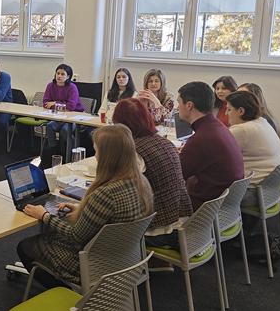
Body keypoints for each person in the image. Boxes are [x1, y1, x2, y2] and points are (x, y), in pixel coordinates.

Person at [16, 124, 153, 286]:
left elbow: (75, 235)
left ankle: (66, 291)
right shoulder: (142, 183)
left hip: (91, 265)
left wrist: (44, 215)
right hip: (123, 259)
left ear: (107, 157)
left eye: (96, 151)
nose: (95, 156)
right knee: (53, 232)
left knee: (25, 246)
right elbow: (112, 217)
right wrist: (84, 209)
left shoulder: (105, 194)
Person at [112, 98, 192, 248]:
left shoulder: (135, 150)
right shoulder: (165, 142)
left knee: (104, 229)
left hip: (161, 230)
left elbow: (122, 191)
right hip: (183, 220)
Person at [176, 81, 244, 210]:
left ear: (189, 105)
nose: (177, 107)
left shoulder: (201, 138)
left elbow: (175, 176)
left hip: (205, 208)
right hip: (226, 206)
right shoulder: (217, 127)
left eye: (179, 102)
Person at [225, 91, 280, 204]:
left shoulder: (241, 130)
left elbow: (214, 155)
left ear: (241, 111)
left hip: (252, 193)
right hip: (270, 190)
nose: (226, 113)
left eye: (229, 109)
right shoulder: (262, 121)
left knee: (205, 190)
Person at [42, 63, 83, 154]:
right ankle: (53, 151)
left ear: (68, 76)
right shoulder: (50, 85)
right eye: (58, 73)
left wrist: (54, 103)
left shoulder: (72, 87)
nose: (59, 76)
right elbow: (45, 103)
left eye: (62, 74)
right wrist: (62, 106)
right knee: (49, 126)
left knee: (65, 130)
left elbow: (71, 107)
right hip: (59, 116)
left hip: (74, 116)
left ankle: (72, 152)